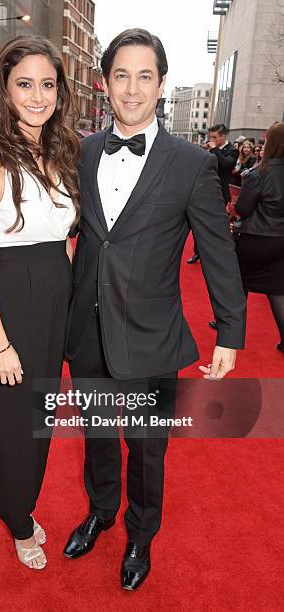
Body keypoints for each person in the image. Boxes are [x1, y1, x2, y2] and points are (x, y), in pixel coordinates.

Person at [62, 29, 246, 591]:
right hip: (88, 327)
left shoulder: (192, 164)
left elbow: (217, 251)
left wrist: (230, 332)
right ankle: (101, 511)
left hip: (150, 334)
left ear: (161, 84)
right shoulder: (84, 150)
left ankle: (141, 536)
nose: (133, 88)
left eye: (145, 76)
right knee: (96, 433)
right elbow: (60, 220)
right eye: (122, 75)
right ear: (105, 83)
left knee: (145, 446)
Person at [0, 35, 79, 570]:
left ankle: (23, 504)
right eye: (24, 84)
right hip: (10, 297)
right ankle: (18, 518)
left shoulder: (61, 151)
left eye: (47, 84)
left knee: (41, 417)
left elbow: (67, 240)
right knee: (11, 424)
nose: (37, 96)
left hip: (58, 290)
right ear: (3, 91)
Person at [234, 122, 284, 353]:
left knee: (239, 284)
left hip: (255, 238)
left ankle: (233, 333)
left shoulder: (258, 174)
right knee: (277, 291)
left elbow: (243, 209)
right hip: (280, 241)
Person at [188, 123, 238, 265]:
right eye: (211, 137)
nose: (212, 139)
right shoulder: (209, 149)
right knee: (199, 224)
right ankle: (198, 252)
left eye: (215, 137)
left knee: (218, 226)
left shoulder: (232, 150)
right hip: (203, 192)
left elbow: (225, 165)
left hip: (221, 193)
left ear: (223, 136)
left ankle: (216, 256)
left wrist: (215, 149)